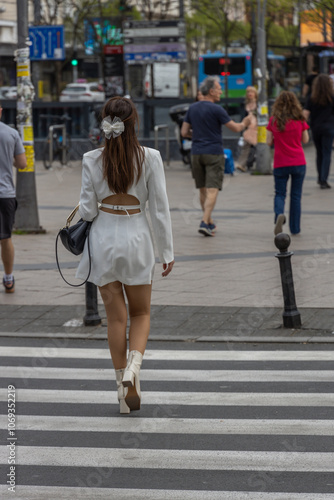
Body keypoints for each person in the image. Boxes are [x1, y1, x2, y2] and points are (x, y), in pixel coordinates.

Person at [76, 97, 174, 414]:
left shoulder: (91, 158)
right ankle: (134, 367)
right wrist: (167, 251)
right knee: (141, 314)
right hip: (137, 238)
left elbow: (88, 210)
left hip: (103, 241)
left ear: (105, 123)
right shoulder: (151, 158)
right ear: (135, 123)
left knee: (115, 319)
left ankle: (122, 390)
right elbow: (159, 210)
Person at [180, 76, 250, 237]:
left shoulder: (193, 108)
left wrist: (197, 135)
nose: (220, 91)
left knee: (202, 190)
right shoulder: (217, 109)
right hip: (213, 152)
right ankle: (204, 222)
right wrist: (245, 122)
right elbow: (235, 127)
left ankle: (209, 221)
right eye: (219, 89)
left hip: (196, 153)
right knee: (212, 190)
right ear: (211, 91)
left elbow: (184, 132)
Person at [266, 91, 309, 236]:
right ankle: (295, 228)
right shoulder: (300, 120)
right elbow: (306, 140)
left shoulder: (273, 121)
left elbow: (268, 142)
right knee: (296, 196)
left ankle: (279, 214)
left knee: (280, 193)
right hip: (298, 162)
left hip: (280, 162)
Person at [0, 104, 27, 293]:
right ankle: (8, 279)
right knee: (5, 238)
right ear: (0, 110)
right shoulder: (11, 133)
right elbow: (22, 164)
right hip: (5, 193)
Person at [303, 73, 334, 189]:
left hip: (316, 128)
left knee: (319, 153)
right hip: (329, 128)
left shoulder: (312, 97)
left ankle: (319, 177)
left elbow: (305, 113)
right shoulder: (332, 96)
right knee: (327, 153)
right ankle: (323, 180)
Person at [235, 86, 258, 172]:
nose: (250, 94)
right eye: (248, 92)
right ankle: (242, 164)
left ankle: (258, 164)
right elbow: (243, 117)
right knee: (245, 146)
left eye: (252, 92)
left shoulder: (259, 104)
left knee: (258, 146)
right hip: (248, 128)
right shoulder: (245, 105)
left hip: (257, 128)